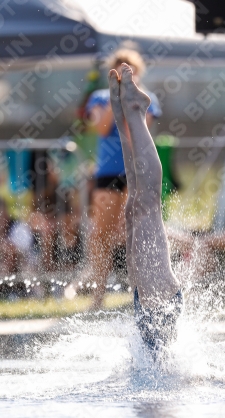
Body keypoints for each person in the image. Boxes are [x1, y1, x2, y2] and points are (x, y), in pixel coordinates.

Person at [109, 63, 183, 357]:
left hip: (148, 300)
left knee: (135, 206)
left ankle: (124, 115)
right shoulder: (170, 369)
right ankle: (133, 113)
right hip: (160, 299)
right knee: (145, 203)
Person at [85, 49, 161, 310]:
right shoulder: (99, 97)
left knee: (137, 234)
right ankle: (98, 295)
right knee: (101, 235)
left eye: (130, 70)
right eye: (119, 70)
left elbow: (138, 131)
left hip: (137, 171)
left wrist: (130, 98)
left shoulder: (146, 97)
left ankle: (139, 292)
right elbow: (102, 127)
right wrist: (114, 98)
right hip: (108, 172)